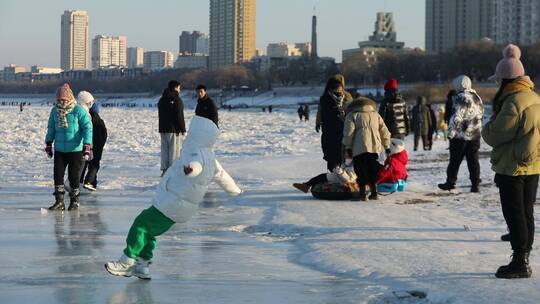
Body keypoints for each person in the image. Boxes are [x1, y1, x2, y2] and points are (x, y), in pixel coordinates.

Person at [105, 116, 242, 280]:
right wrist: (236, 191)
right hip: (180, 206)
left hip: (172, 202)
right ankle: (142, 265)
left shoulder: (195, 151)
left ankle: (127, 262)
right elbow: (223, 177)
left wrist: (191, 169)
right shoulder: (212, 158)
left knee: (141, 225)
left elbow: (196, 164)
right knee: (149, 232)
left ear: (198, 134)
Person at [482, 44, 540, 279]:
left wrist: (487, 126)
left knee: (514, 213)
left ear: (506, 80)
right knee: (526, 212)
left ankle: (519, 262)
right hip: (533, 163)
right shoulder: (534, 97)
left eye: (499, 80)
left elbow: (495, 135)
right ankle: (524, 257)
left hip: (513, 166)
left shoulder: (513, 102)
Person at [45, 84, 93, 211]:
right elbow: (51, 128)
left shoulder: (78, 110)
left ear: (70, 98)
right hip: (60, 149)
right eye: (59, 99)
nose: (61, 102)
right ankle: (59, 201)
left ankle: (75, 201)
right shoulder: (55, 111)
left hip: (75, 150)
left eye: (63, 99)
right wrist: (49, 143)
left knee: (73, 177)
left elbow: (87, 128)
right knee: (58, 176)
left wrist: (87, 145)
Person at [438, 75, 483, 192]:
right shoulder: (477, 97)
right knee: (473, 160)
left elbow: (456, 117)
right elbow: (480, 115)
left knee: (455, 160)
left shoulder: (460, 97)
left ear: (459, 85)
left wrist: (451, 133)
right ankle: (475, 184)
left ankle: (450, 182)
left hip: (460, 136)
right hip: (475, 134)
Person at [342, 97, 391, 201]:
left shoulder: (352, 115)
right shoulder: (376, 115)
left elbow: (348, 133)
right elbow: (385, 131)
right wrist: (387, 146)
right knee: (372, 169)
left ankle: (362, 194)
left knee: (361, 170)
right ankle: (374, 193)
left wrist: (348, 146)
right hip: (374, 147)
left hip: (359, 148)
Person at [319, 77, 351, 171]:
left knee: (345, 166)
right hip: (331, 139)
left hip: (344, 139)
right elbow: (327, 118)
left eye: (341, 91)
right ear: (330, 90)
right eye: (337, 91)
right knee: (334, 166)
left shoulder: (346, 99)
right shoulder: (326, 101)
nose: (340, 94)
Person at [79, 93, 108, 191]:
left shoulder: (84, 118)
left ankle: (81, 181)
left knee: (85, 163)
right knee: (95, 164)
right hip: (97, 145)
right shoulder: (99, 121)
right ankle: (89, 182)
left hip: (86, 144)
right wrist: (101, 144)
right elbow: (104, 134)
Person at [158, 80, 186, 176]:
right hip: (173, 129)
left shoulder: (162, 99)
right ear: (175, 87)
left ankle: (165, 169)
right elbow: (179, 116)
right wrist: (182, 129)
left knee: (165, 149)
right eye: (179, 88)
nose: (180, 90)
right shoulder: (176, 99)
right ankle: (172, 170)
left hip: (162, 128)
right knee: (174, 150)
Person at [292, 159, 358, 193]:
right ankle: (306, 185)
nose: (346, 158)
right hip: (336, 177)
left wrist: (339, 171)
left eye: (347, 156)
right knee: (321, 176)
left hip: (340, 181)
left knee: (321, 177)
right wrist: (336, 169)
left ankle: (306, 186)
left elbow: (349, 179)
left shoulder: (353, 168)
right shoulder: (346, 164)